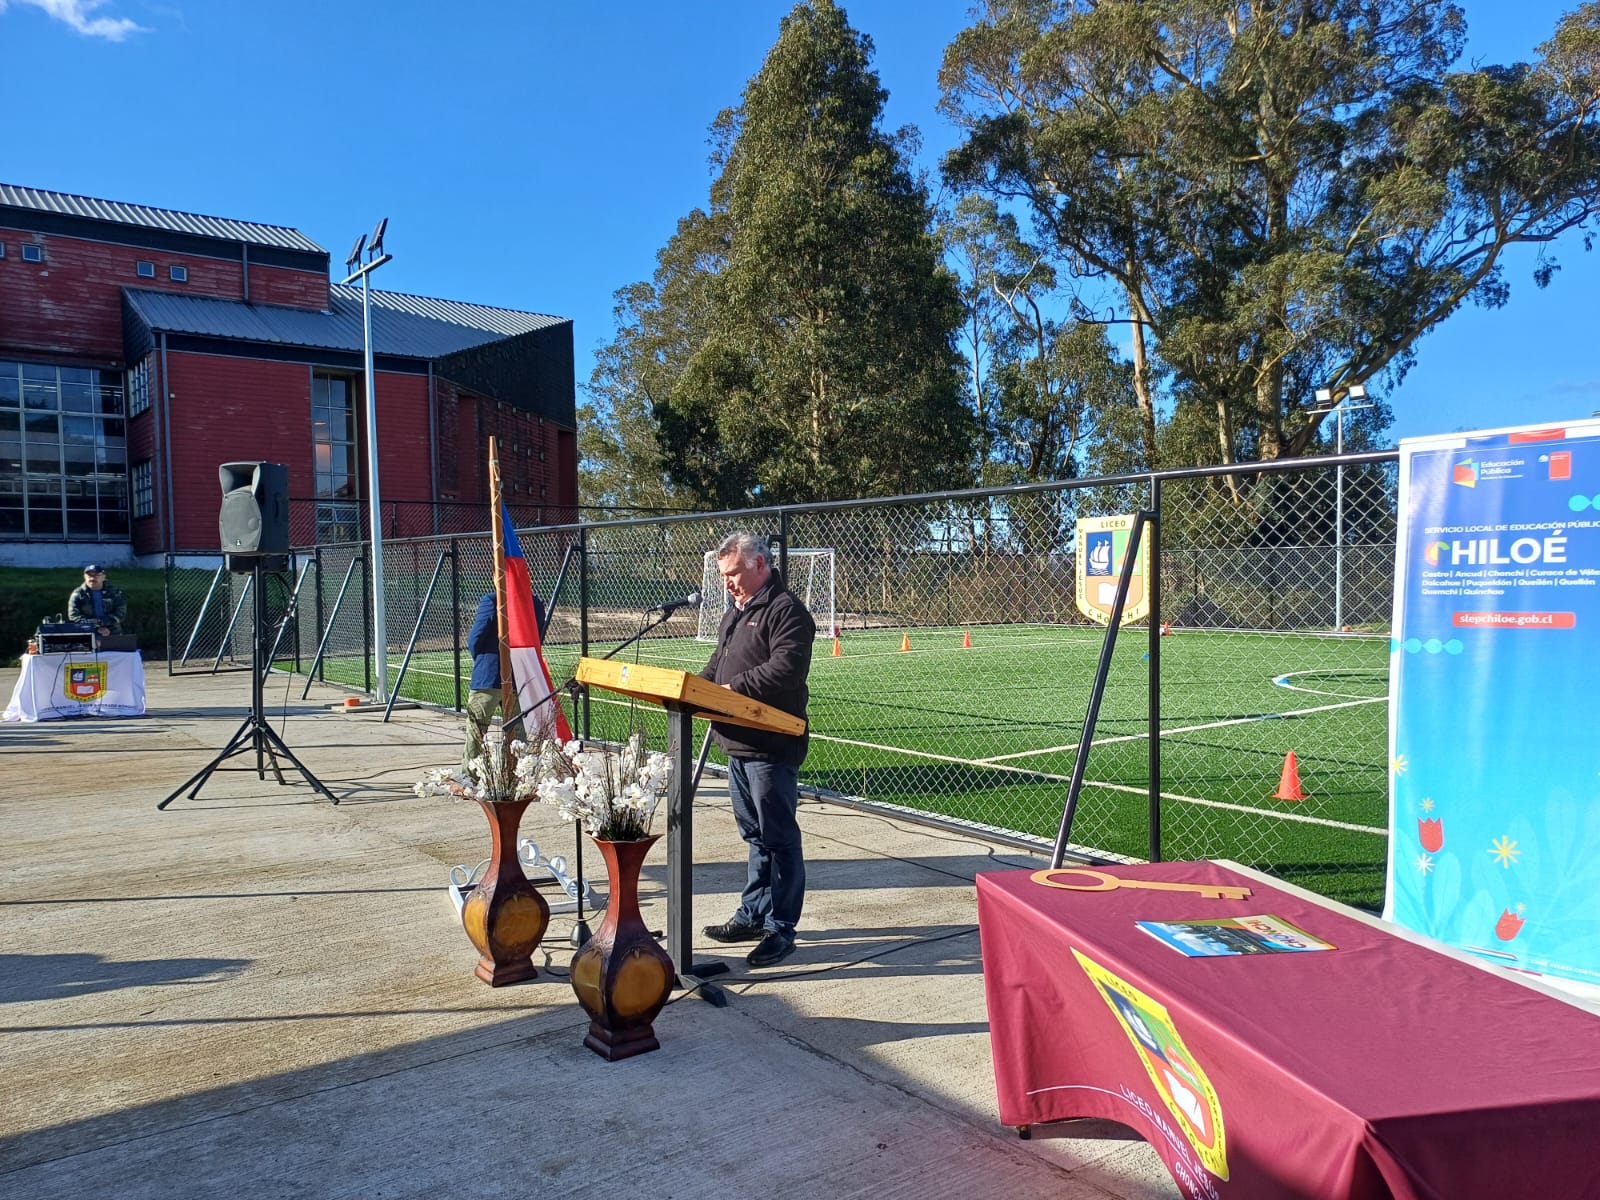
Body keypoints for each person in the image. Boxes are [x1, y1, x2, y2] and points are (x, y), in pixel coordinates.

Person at [699, 530, 816, 969]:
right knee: (755, 837)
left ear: (760, 565)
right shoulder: (735, 612)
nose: (728, 583)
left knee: (779, 838)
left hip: (772, 746)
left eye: (734, 574)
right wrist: (695, 690)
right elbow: (717, 666)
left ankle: (781, 927)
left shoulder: (786, 611)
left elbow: (785, 669)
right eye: (723, 576)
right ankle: (752, 915)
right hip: (737, 743)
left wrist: (732, 689)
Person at [466, 590, 532, 769]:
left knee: (477, 729)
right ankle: (517, 773)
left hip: (489, 675)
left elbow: (475, 638)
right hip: (519, 674)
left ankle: (471, 776)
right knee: (517, 731)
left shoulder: (492, 600)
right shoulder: (533, 602)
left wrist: (483, 660)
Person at [67, 564, 127, 637]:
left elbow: (121, 613)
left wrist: (105, 626)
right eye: (89, 576)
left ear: (103, 577)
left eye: (96, 575)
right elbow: (73, 615)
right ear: (84, 576)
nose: (92, 578)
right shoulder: (78, 594)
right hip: (86, 633)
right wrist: (94, 627)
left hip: (112, 632)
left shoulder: (114, 592)